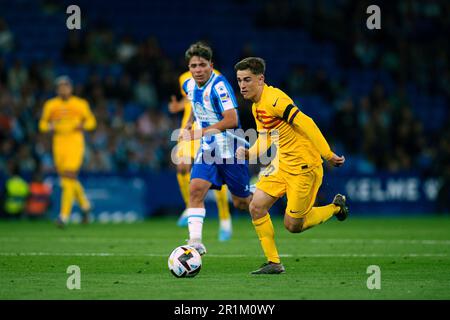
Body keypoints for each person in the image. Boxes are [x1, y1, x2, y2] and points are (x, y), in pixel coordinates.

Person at [235, 57, 349, 274]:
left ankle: (335, 207)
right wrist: (250, 152)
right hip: (282, 164)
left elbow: (306, 122)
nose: (242, 85)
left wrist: (327, 153)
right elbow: (267, 137)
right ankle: (274, 263)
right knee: (256, 206)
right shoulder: (256, 106)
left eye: (247, 80)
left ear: (261, 79)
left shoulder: (275, 100)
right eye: (239, 80)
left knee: (293, 225)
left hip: (304, 167)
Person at [179, 42, 252, 254]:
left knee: (241, 203)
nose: (198, 70)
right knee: (195, 190)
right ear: (189, 68)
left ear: (211, 65)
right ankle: (195, 243)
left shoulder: (220, 86)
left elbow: (231, 120)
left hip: (231, 149)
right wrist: (189, 122)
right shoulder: (189, 85)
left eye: (202, 65)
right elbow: (195, 104)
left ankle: (262, 191)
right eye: (193, 66)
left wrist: (199, 132)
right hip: (208, 149)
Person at [169, 68, 233, 242]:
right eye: (193, 63)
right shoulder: (184, 77)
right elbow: (189, 99)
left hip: (209, 128)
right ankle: (189, 206)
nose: (197, 67)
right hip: (190, 127)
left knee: (217, 176)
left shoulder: (218, 78)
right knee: (182, 166)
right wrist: (179, 106)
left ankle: (225, 220)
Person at [39, 76, 96, 228]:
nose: (63, 89)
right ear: (57, 89)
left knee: (69, 177)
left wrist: (83, 126)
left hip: (75, 144)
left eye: (66, 86)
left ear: (70, 88)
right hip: (58, 145)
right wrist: (48, 127)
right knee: (66, 179)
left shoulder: (80, 104)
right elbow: (42, 124)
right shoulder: (51, 105)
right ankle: (85, 205)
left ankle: (64, 216)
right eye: (61, 87)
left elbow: (91, 122)